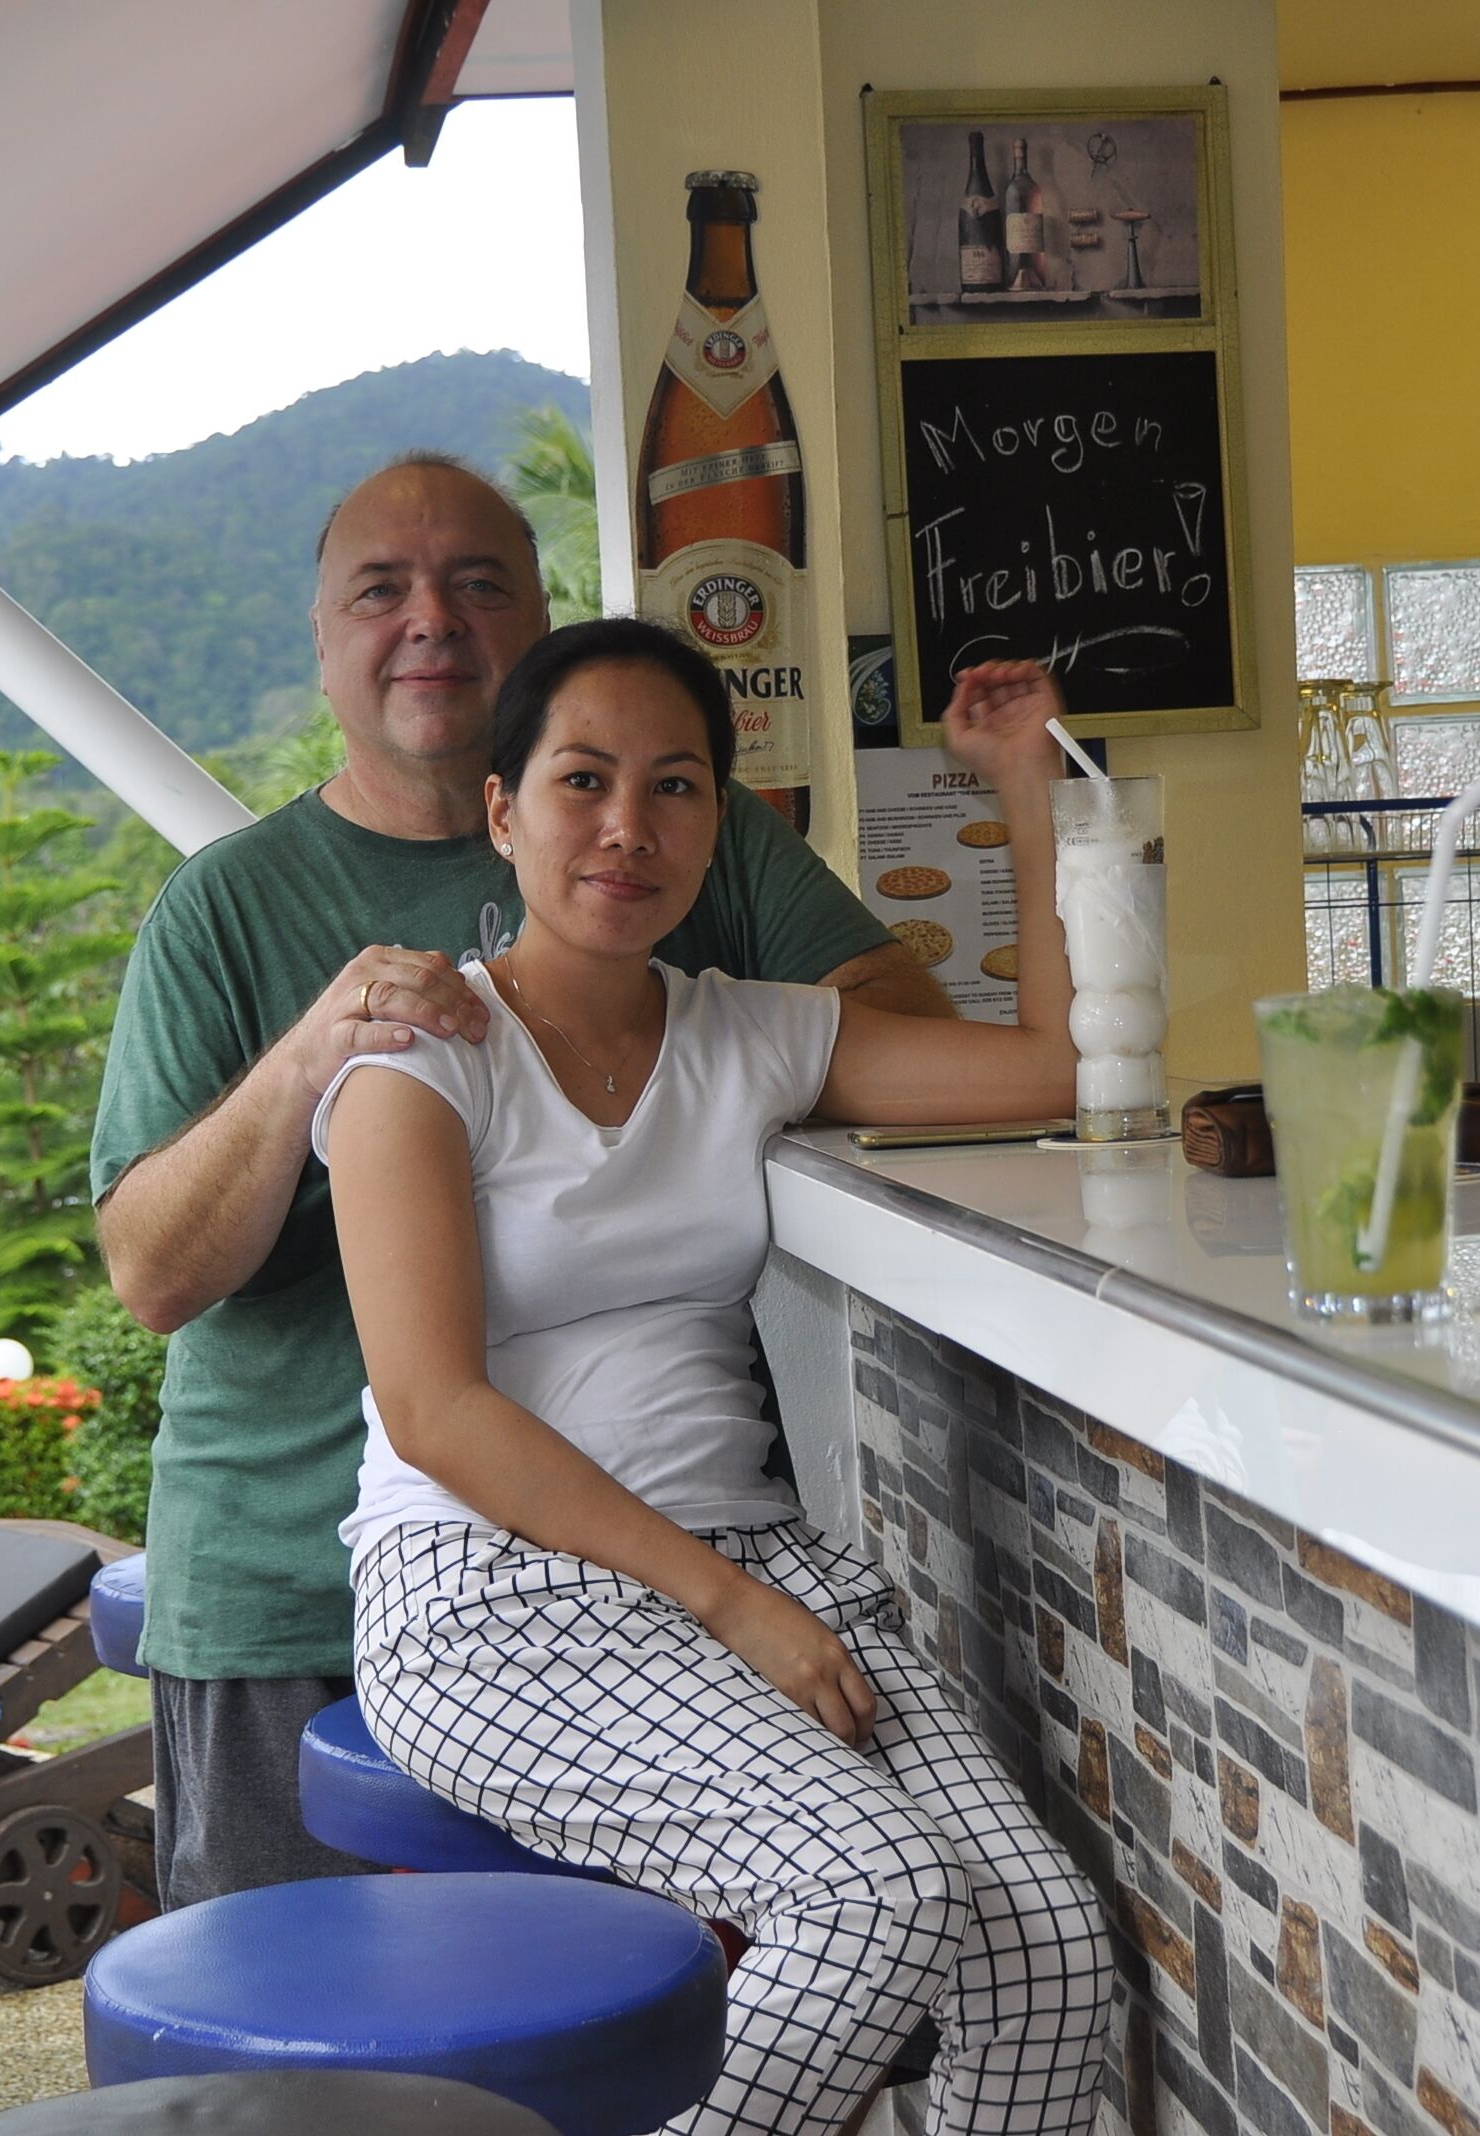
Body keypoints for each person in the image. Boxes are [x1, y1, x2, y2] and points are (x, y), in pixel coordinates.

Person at [90, 452, 979, 1910]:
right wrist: (311, 1058)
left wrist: (701, 1051)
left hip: (629, 1573)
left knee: (655, 2012)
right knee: (325, 2078)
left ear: (540, 627)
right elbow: (152, 1273)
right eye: (381, 591)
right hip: (284, 1589)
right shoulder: (228, 905)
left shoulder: (683, 838)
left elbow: (899, 1022)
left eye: (479, 584)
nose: (431, 620)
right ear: (324, 640)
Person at [316, 618, 1110, 2136]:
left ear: (722, 822)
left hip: (741, 1566)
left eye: (678, 787)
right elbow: (435, 1413)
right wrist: (732, 1602)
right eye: (584, 780)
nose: (631, 828)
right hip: (485, 1595)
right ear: (503, 808)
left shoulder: (753, 1032)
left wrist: (1023, 780)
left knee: (1047, 1953)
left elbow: (1057, 1070)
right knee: (872, 1893)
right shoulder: (418, 1063)